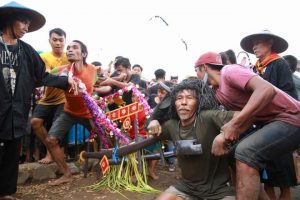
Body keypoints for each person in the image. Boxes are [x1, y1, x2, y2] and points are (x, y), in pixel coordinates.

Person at [194, 51, 300, 200]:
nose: (197, 75)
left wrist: (233, 125)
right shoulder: (217, 92)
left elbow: (266, 90)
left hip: (291, 117)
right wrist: (226, 134)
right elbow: (250, 116)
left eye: (196, 70)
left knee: (246, 152)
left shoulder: (229, 71)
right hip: (271, 123)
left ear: (203, 67)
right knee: (232, 154)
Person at [0, 2, 77, 199]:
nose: (26, 28)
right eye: (23, 22)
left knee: (11, 152)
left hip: (17, 109)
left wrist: (65, 81)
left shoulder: (26, 50)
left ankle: (6, 191)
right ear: (9, 20)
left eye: (28, 24)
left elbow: (42, 76)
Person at [148, 79, 236, 200]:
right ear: (174, 103)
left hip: (218, 191)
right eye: (179, 98)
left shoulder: (208, 117)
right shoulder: (171, 125)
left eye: (189, 98)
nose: (183, 102)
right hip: (186, 188)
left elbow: (244, 116)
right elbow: (151, 128)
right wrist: (153, 120)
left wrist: (224, 135)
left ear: (198, 102)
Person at [240, 30, 298, 200]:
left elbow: (288, 94)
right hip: (262, 125)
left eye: (258, 42)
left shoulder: (279, 64)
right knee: (267, 178)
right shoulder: (255, 69)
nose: (254, 46)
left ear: (270, 43)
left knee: (282, 177)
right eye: (253, 44)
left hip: (281, 123)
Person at [37, 40, 97, 186]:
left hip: (88, 113)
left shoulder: (93, 69)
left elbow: (95, 85)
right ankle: (67, 174)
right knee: (50, 141)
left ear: (83, 54)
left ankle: (107, 167)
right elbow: (42, 77)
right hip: (69, 112)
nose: (69, 50)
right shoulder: (61, 70)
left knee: (104, 138)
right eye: (68, 48)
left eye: (74, 48)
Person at [31, 28, 69, 164]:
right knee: (35, 122)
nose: (58, 43)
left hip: (64, 98)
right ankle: (53, 151)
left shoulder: (69, 56)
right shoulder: (44, 57)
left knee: (56, 126)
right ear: (49, 41)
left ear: (65, 41)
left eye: (61, 40)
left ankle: (52, 155)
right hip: (47, 98)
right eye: (55, 40)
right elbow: (47, 74)